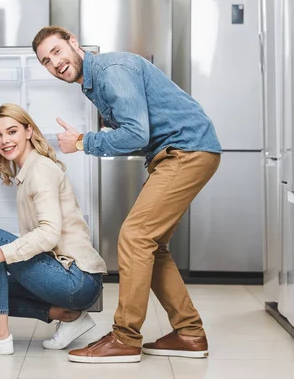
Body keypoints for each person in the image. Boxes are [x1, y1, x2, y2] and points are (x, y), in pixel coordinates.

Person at [32, 26, 222, 363]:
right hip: (179, 152)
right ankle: (189, 333)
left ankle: (125, 338)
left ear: (74, 43)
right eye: (46, 61)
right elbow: (137, 131)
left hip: (186, 150)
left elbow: (135, 133)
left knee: (134, 237)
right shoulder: (94, 83)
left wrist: (81, 143)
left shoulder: (110, 71)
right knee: (151, 245)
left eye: (58, 51)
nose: (55, 63)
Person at [0, 103, 107, 355]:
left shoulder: (40, 170)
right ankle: (69, 317)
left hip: (77, 279)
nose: (4, 140)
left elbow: (48, 233)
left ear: (28, 131)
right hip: (74, 281)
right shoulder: (28, 171)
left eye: (12, 131)